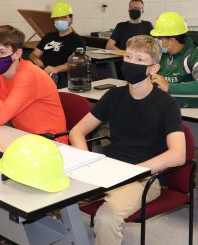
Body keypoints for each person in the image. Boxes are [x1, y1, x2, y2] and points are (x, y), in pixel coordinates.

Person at [69, 35, 185, 245]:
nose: (131, 63)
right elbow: (77, 132)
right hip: (109, 169)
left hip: (144, 179)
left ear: (153, 69)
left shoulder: (167, 105)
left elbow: (178, 154)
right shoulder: (115, 96)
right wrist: (87, 163)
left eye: (140, 60)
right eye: (128, 57)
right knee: (55, 196)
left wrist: (134, 171)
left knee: (106, 218)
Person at [28, 1, 84, 88]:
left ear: (71, 20)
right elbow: (33, 54)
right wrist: (35, 59)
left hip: (61, 78)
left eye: (64, 18)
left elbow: (76, 63)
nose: (59, 21)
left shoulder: (77, 40)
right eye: (57, 18)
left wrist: (56, 69)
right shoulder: (48, 36)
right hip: (43, 74)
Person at [150, 12, 198, 98]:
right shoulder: (163, 54)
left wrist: (169, 87)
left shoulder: (193, 55)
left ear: (171, 40)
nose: (156, 41)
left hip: (186, 107)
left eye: (159, 38)